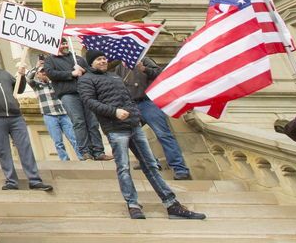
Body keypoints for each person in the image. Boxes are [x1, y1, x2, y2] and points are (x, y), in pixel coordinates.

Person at [78, 47, 206, 220]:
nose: (102, 61)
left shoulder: (114, 76)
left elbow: (128, 98)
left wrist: (136, 116)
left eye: (103, 58)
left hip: (133, 126)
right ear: (91, 62)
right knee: (123, 168)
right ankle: (133, 204)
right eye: (98, 59)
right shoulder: (86, 79)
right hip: (115, 129)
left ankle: (172, 204)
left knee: (151, 165)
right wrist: (114, 112)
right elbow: (90, 102)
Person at [0, 49, 53, 191]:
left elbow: (19, 88)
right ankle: (11, 180)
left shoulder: (4, 74)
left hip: (15, 116)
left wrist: (22, 76)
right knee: (3, 151)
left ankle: (34, 180)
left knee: (25, 148)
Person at [113, 56, 193, 180]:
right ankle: (151, 162)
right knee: (131, 136)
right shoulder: (119, 68)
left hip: (148, 103)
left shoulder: (144, 60)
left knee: (163, 135)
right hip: (131, 106)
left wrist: (144, 69)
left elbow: (161, 74)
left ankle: (180, 168)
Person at [43, 41, 112, 161]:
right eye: (62, 44)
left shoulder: (79, 59)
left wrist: (83, 71)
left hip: (86, 93)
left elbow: (91, 72)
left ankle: (98, 151)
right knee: (79, 122)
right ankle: (85, 152)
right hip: (68, 95)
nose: (65, 46)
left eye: (65, 43)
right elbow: (51, 73)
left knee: (93, 122)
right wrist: (71, 73)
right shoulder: (50, 60)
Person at [27, 57, 82, 161]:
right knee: (58, 141)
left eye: (45, 71)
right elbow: (28, 78)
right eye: (41, 72)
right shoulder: (37, 86)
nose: (44, 73)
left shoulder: (55, 83)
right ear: (38, 75)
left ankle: (81, 157)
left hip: (63, 114)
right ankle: (65, 160)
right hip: (49, 115)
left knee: (74, 138)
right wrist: (37, 66)